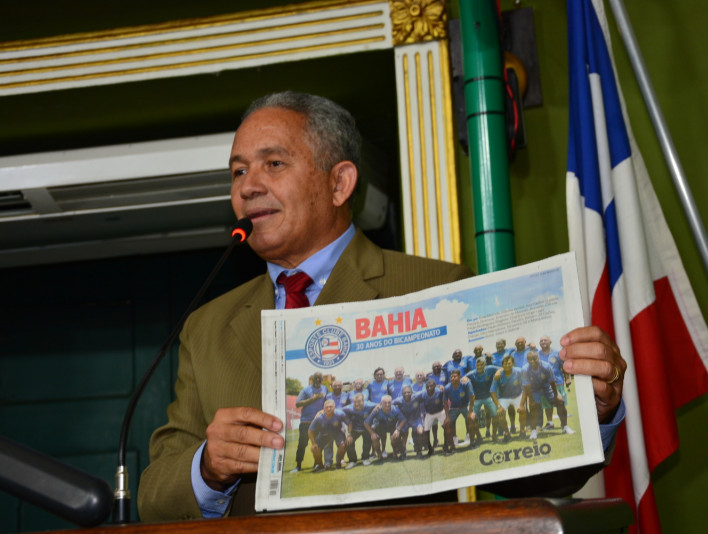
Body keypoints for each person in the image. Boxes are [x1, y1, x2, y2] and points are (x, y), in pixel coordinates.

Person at [138, 91, 627, 521]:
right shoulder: (206, 326)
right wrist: (208, 467)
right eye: (239, 171)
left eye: (274, 164)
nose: (247, 187)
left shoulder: (441, 289)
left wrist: (595, 410)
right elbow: (155, 496)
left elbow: (532, 479)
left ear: (339, 183)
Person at [522, 351, 574, 440]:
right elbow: (526, 386)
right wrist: (531, 399)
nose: (532, 361)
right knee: (533, 406)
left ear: (538, 358)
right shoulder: (525, 369)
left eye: (534, 359)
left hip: (547, 387)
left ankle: (565, 427)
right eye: (530, 360)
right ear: (527, 360)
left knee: (560, 402)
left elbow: (552, 382)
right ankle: (534, 431)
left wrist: (556, 395)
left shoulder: (546, 366)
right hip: (534, 390)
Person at [290, 372, 327, 473]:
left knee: (318, 444)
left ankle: (316, 464)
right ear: (312, 379)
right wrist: (312, 399)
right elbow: (298, 404)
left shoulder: (325, 389)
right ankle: (298, 466)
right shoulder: (306, 390)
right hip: (306, 421)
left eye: (320, 378)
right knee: (302, 444)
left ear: (322, 379)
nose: (318, 380)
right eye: (316, 378)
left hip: (319, 421)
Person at [538, 335, 570, 430]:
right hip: (544, 385)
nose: (543, 342)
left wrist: (567, 378)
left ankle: (564, 425)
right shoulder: (537, 354)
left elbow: (564, 367)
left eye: (545, 340)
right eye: (541, 340)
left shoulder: (557, 353)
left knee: (561, 403)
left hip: (558, 383)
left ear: (550, 342)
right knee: (547, 405)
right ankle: (550, 423)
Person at [465, 359, 501, 442]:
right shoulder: (471, 373)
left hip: (488, 397)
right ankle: (479, 437)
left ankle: (494, 435)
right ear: (475, 366)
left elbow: (501, 368)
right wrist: (464, 379)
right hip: (476, 399)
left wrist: (498, 372)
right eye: (478, 365)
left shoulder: (490, 368)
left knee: (495, 415)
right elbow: (463, 378)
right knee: (473, 418)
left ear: (485, 365)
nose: (480, 367)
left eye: (481, 365)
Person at [308, 400, 348, 471]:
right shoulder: (319, 418)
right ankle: (321, 466)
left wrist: (349, 434)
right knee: (314, 449)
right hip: (324, 435)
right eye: (327, 407)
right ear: (323, 409)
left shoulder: (340, 414)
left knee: (343, 445)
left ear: (334, 407)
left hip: (337, 433)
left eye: (331, 407)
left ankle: (338, 464)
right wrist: (313, 443)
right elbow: (310, 431)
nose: (329, 408)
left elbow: (349, 423)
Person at [443, 369, 476, 453]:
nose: (452, 378)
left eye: (454, 376)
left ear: (459, 376)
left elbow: (472, 397)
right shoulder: (447, 388)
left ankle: (472, 442)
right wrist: (447, 417)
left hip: (465, 406)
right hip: (454, 408)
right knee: (446, 424)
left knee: (472, 418)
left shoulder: (466, 383)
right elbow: (445, 403)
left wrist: (470, 411)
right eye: (451, 377)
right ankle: (452, 447)